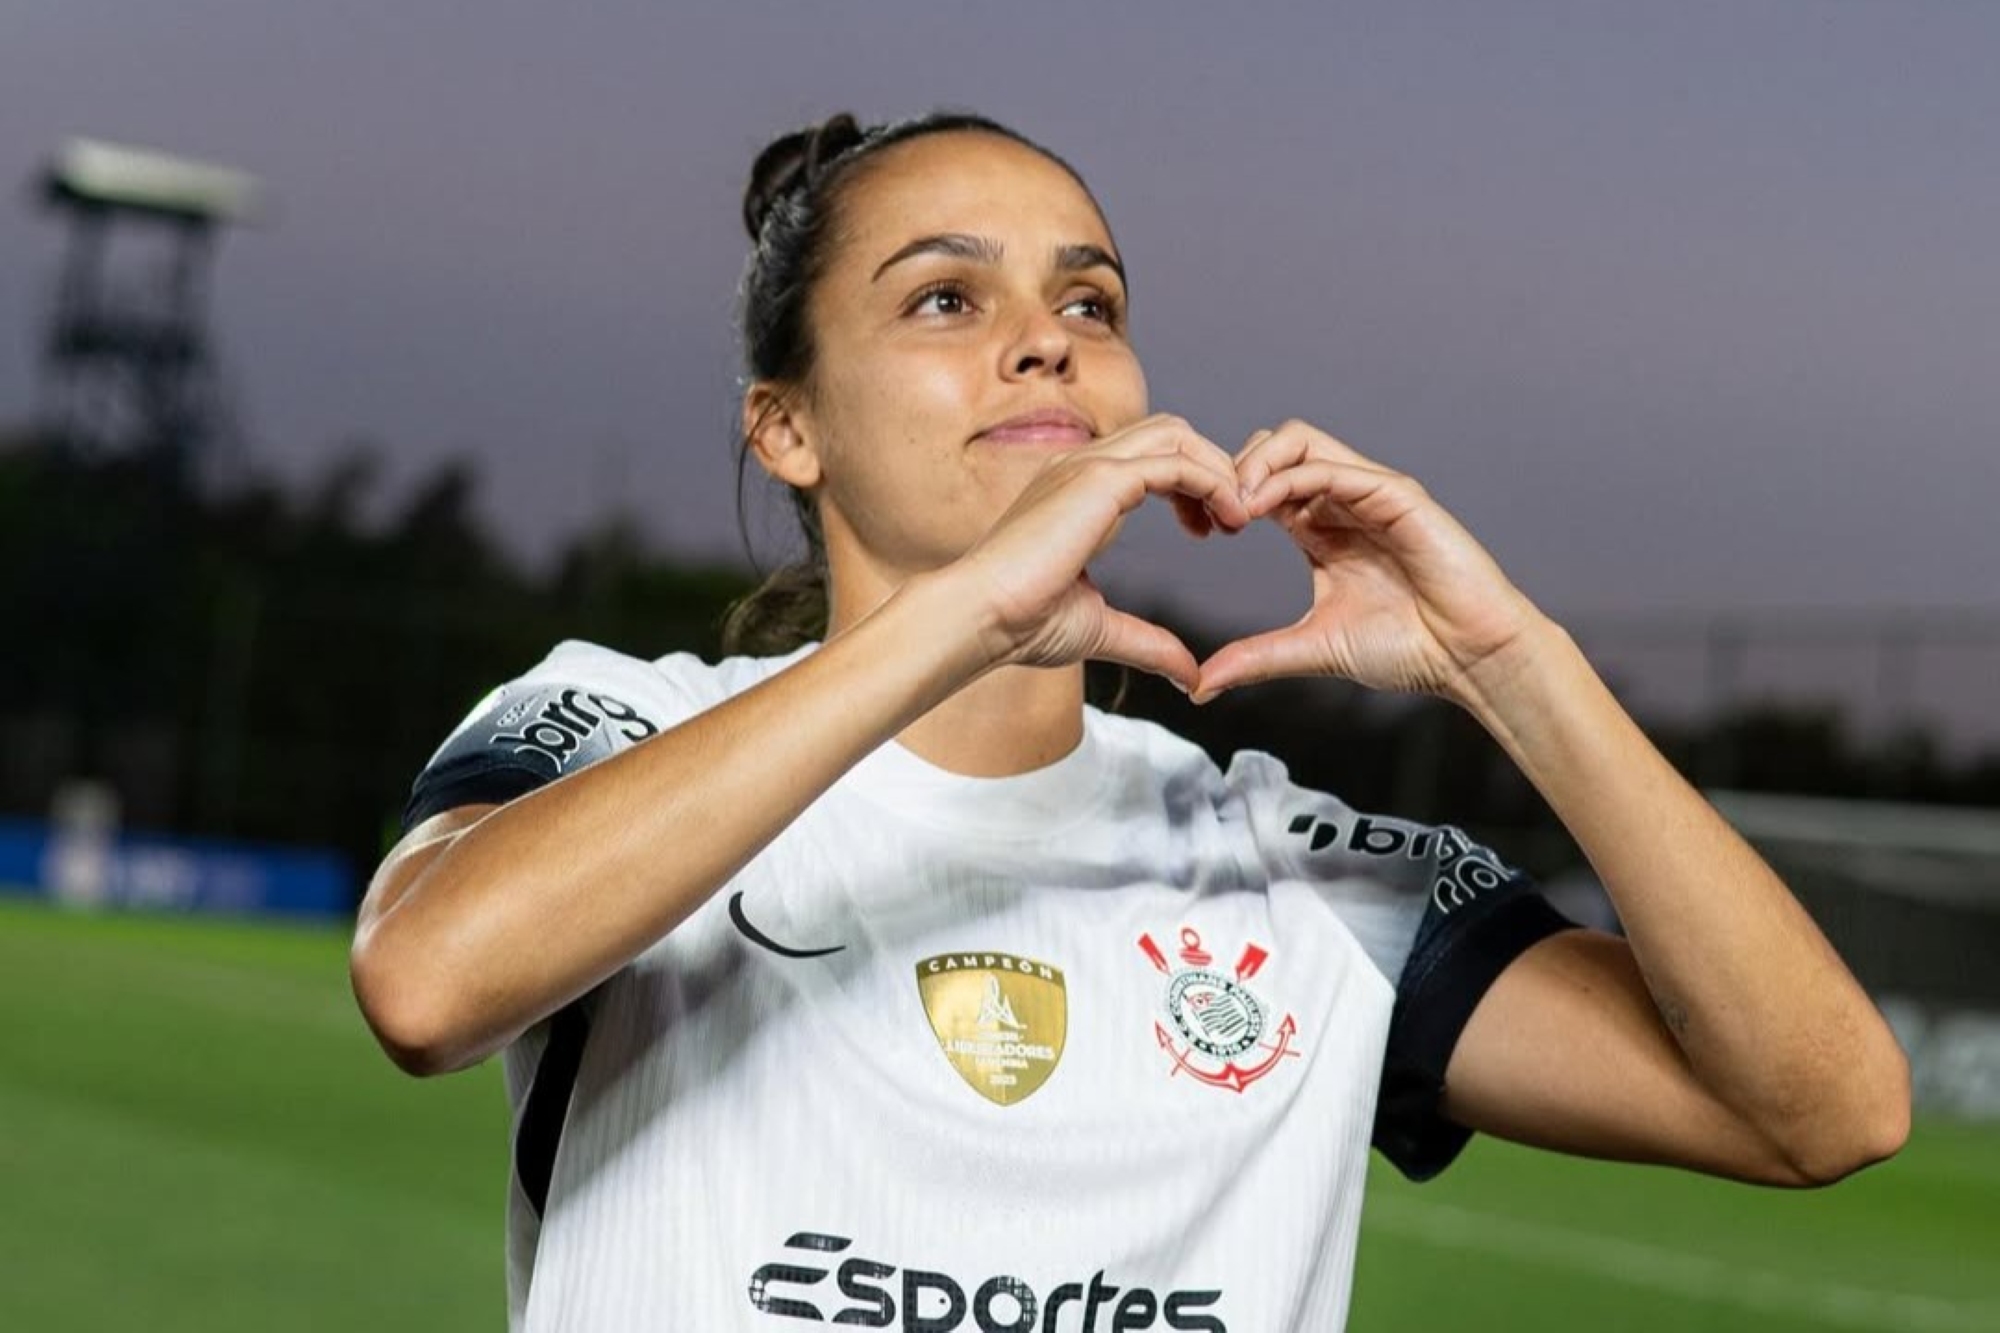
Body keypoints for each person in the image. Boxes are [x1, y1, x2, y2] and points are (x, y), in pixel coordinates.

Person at [350, 110, 1910, 1333]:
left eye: (1087, 299)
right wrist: (963, 612)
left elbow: (1824, 1106)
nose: (1045, 339)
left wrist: (1513, 662)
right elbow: (426, 980)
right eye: (946, 297)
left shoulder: (1293, 871)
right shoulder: (616, 720)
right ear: (789, 426)